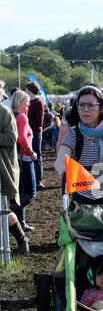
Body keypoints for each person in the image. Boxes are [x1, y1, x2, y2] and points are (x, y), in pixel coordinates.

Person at [55, 85, 103, 205]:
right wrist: (62, 169)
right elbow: (60, 159)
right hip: (83, 197)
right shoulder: (74, 134)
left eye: (91, 105)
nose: (85, 109)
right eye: (81, 105)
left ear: (101, 108)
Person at [0, 101, 29, 254]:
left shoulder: (4, 112)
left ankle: (21, 239)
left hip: (3, 168)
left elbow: (12, 137)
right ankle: (21, 238)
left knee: (2, 210)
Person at [10, 90, 37, 233]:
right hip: (25, 157)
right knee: (30, 193)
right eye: (27, 101)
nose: (29, 104)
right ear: (20, 102)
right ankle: (6, 214)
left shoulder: (10, 115)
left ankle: (21, 223)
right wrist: (32, 152)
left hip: (14, 158)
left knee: (19, 192)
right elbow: (22, 138)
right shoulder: (22, 117)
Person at [25, 81, 45, 189]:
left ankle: (39, 180)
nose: (25, 91)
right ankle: (31, 179)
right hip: (28, 132)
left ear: (29, 90)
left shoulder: (38, 102)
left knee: (37, 156)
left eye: (26, 89)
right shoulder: (28, 102)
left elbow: (39, 121)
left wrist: (26, 122)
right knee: (29, 155)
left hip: (36, 132)